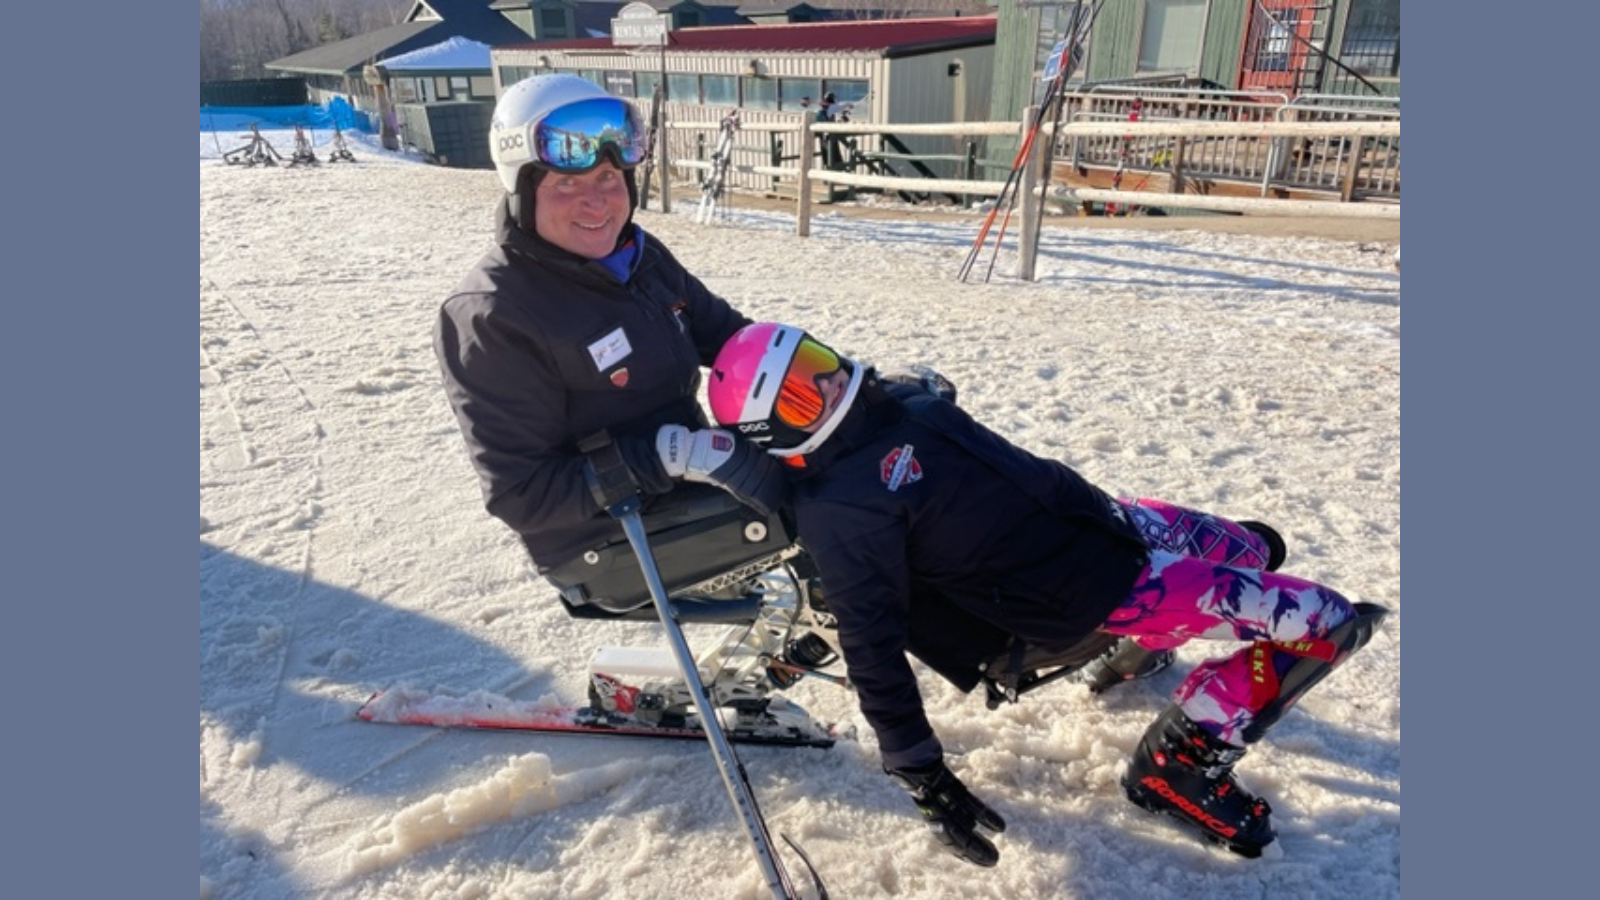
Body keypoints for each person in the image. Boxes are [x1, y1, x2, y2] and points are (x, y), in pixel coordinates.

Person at [704, 322, 1388, 865]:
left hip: (1110, 521)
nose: (829, 384)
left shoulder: (895, 403)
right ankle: (1177, 766)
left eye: (815, 361)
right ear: (779, 435)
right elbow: (870, 644)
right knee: (1326, 624)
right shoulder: (842, 511)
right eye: (799, 394)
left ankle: (1139, 653)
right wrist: (920, 770)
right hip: (1094, 592)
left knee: (1256, 546)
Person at [432, 74, 788, 611]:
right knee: (828, 512)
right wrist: (666, 456)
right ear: (524, 188)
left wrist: (826, 376)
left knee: (859, 467)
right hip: (603, 536)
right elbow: (522, 495)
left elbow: (730, 336)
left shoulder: (638, 257)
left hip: (686, 485)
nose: (596, 204)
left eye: (607, 177)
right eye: (565, 184)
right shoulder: (493, 313)